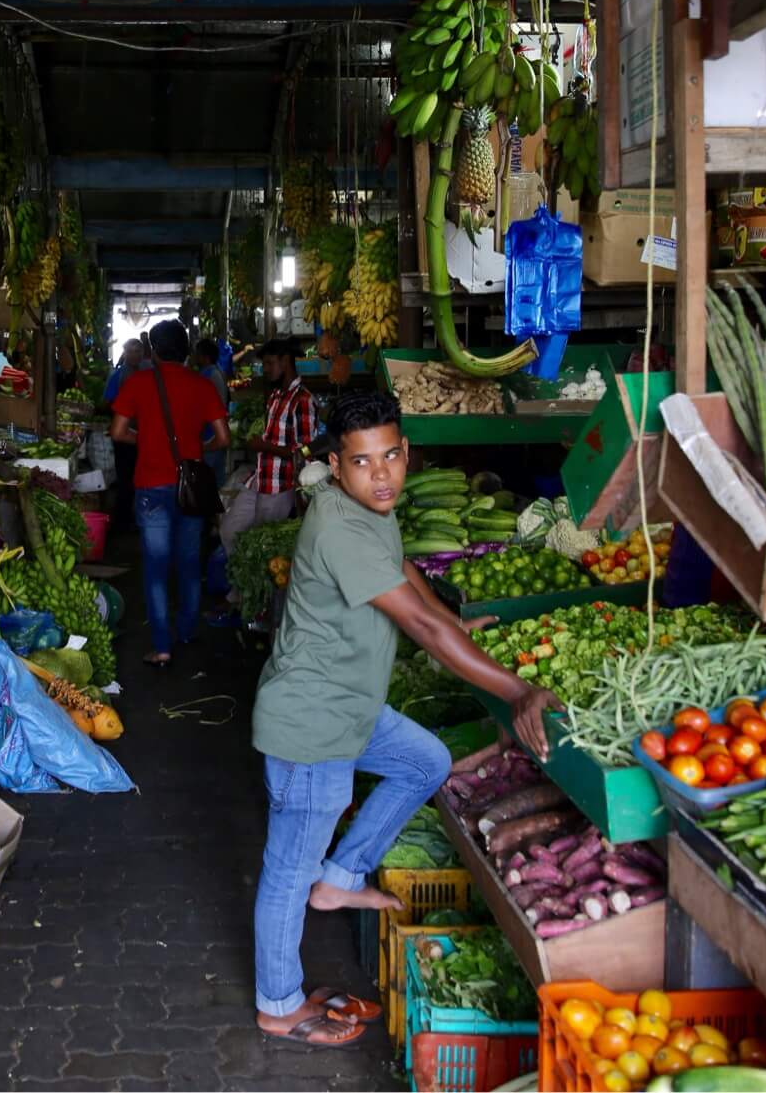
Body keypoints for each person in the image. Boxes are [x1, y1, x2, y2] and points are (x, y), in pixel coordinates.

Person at [250, 391, 562, 1046]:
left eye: (392, 455)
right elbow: (416, 623)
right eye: (364, 462)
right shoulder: (336, 525)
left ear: (406, 452)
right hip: (312, 725)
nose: (383, 473)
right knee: (286, 871)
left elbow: (405, 574)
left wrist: (454, 623)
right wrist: (517, 691)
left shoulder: (368, 509)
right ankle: (277, 1004)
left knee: (426, 760)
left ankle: (339, 881)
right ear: (336, 466)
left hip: (351, 709)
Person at [109, 320, 230, 665]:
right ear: (187, 350)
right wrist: (198, 448)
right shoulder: (201, 384)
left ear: (155, 351)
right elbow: (223, 439)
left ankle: (162, 646)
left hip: (150, 487)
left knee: (156, 567)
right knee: (190, 564)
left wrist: (145, 439)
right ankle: (187, 631)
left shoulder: (138, 383)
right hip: (189, 487)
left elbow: (117, 431)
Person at [218, 340, 317, 609]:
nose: (266, 369)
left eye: (270, 363)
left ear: (286, 362)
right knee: (229, 529)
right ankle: (245, 590)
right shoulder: (275, 397)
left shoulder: (303, 400)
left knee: (265, 546)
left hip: (281, 485)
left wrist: (265, 446)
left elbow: (306, 451)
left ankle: (258, 605)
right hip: (260, 479)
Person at [101, 338, 146, 533]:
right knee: (125, 478)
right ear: (125, 353)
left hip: (144, 435)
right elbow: (107, 402)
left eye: (138, 351)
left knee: (139, 477)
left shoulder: (147, 375)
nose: (135, 355)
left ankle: (135, 517)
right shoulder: (118, 375)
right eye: (131, 351)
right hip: (125, 435)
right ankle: (123, 520)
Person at [189, 337, 231, 487]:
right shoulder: (217, 371)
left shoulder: (207, 376)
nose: (193, 357)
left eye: (196, 354)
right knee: (216, 481)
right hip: (216, 433)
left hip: (210, 435)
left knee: (206, 483)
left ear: (204, 356)